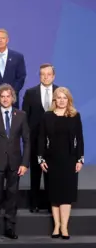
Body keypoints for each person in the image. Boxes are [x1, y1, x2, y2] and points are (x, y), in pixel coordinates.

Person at [0, 83, 30, 240]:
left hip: (15, 164)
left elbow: (27, 141)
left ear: (12, 98)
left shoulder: (21, 115)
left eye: (7, 96)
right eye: (2, 97)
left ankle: (10, 227)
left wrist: (24, 163)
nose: (5, 99)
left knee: (12, 195)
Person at [37, 87, 84, 240]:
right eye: (59, 97)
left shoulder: (75, 116)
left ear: (68, 100)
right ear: (54, 100)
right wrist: (41, 158)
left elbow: (80, 139)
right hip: (52, 160)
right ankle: (56, 225)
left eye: (65, 97)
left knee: (66, 194)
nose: (62, 100)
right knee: (55, 194)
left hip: (69, 160)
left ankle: (64, 226)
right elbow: (41, 139)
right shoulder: (47, 116)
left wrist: (80, 159)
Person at [23, 63, 58, 213]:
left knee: (53, 173)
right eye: (43, 74)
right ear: (39, 76)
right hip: (35, 139)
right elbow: (25, 118)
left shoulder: (60, 92)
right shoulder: (31, 93)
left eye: (48, 74)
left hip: (55, 141)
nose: (45, 77)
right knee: (36, 173)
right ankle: (34, 203)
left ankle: (52, 203)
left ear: (53, 76)